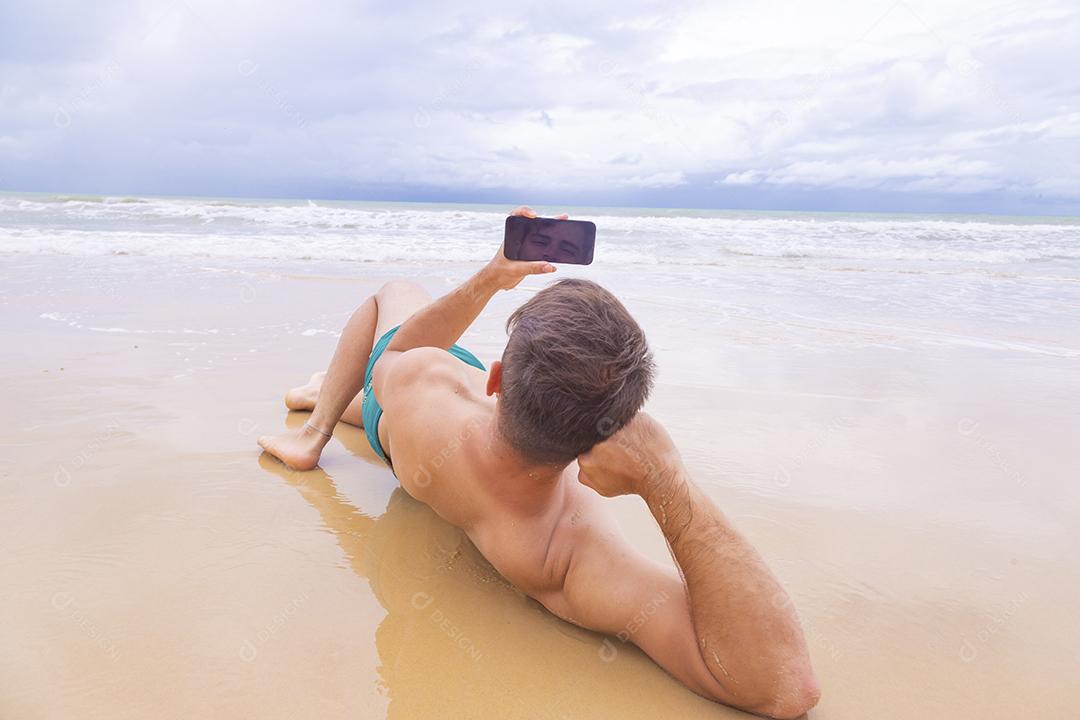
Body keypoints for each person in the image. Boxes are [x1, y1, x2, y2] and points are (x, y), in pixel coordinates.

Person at [258, 206, 821, 719]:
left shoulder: (425, 381)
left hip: (402, 432)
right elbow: (781, 687)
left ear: (495, 380)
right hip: (410, 446)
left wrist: (488, 279)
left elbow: (396, 352)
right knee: (376, 396)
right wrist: (664, 479)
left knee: (394, 295)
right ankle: (324, 393)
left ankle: (315, 428)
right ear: (608, 431)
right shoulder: (561, 551)